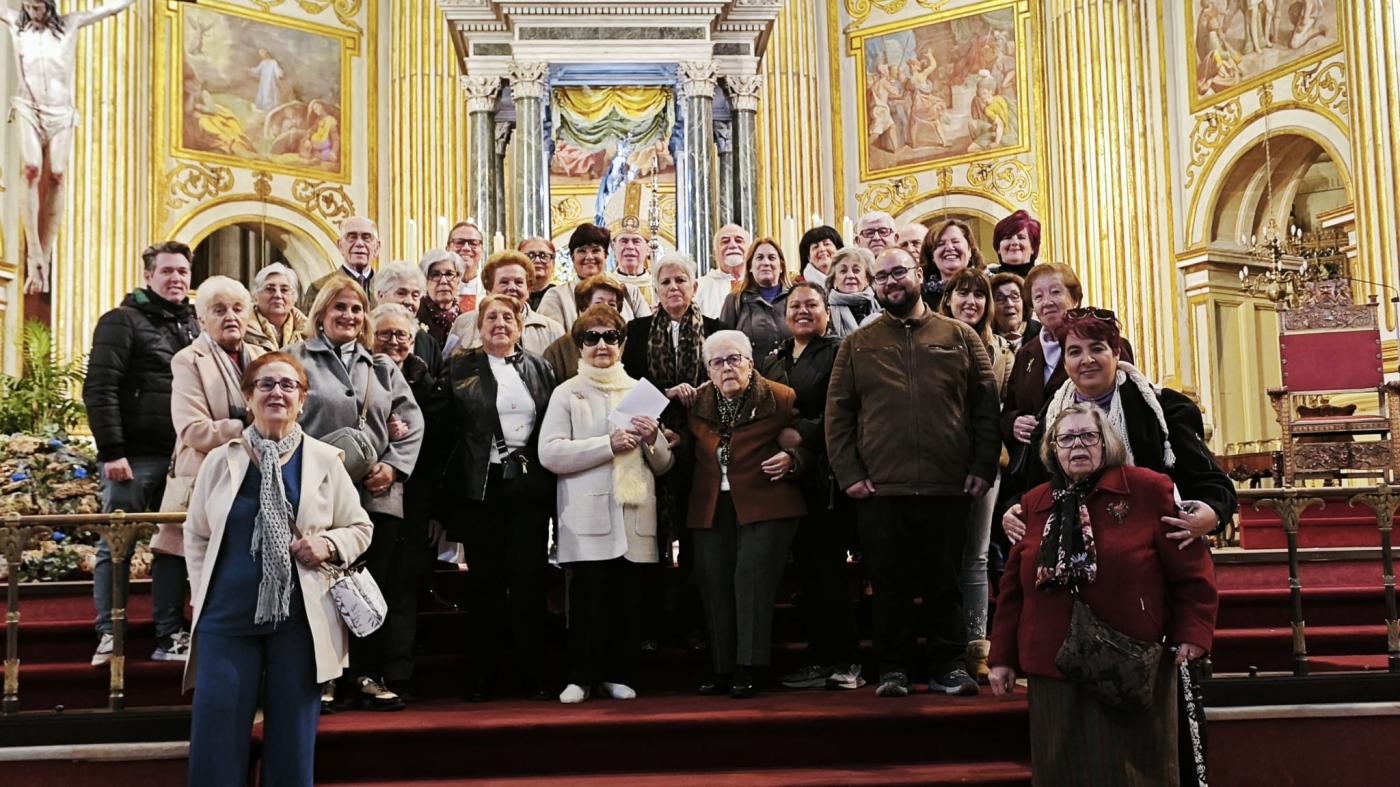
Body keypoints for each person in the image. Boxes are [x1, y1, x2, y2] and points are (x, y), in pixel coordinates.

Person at [989, 404, 1218, 787]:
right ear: (1053, 449)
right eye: (1066, 438)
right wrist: (1002, 658)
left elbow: (1192, 571)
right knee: (1062, 771)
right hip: (1052, 666)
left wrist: (1193, 633)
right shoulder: (1034, 503)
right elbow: (1013, 590)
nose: (1077, 445)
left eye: (1087, 436)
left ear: (1105, 442)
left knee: (1134, 772)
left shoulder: (1148, 490)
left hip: (1131, 661)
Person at [183, 352, 373, 787]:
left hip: (299, 621)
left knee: (291, 743)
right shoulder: (221, 459)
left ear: (302, 400)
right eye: (266, 385)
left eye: (288, 386)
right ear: (248, 397)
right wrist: (200, 591)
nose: (277, 393)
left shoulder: (325, 460)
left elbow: (360, 527)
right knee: (216, 739)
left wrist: (328, 543)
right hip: (226, 618)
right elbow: (195, 535)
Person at [825, 248, 1000, 698]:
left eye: (898, 272)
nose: (890, 282)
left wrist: (982, 466)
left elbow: (984, 406)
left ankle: (949, 667)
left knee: (947, 583)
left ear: (919, 275)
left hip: (949, 484)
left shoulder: (960, 336)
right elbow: (838, 415)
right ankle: (894, 669)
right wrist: (849, 474)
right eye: (880, 277)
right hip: (881, 488)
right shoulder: (857, 343)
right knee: (889, 585)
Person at [288, 275, 424, 712]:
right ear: (322, 315)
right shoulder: (296, 360)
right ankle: (326, 678)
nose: (349, 316)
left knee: (371, 585)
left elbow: (412, 422)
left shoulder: (381, 367)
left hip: (377, 497)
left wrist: (393, 465)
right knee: (321, 587)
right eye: (339, 308)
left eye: (356, 309)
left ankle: (368, 674)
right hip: (318, 497)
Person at [1003, 308, 1236, 546]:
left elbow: (1212, 485)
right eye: (1075, 351)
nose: (1087, 359)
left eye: (1097, 348)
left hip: (1150, 544)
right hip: (1074, 549)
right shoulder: (1051, 417)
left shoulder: (1164, 409)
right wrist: (1014, 510)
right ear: (1065, 361)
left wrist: (1211, 513)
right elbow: (1030, 489)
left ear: (1115, 353)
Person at [539, 305, 673, 704]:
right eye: (592, 338)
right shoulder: (568, 392)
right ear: (579, 345)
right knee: (587, 603)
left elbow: (664, 465)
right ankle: (580, 677)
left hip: (633, 516)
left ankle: (618, 673)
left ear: (622, 343)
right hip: (587, 515)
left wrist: (653, 439)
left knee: (627, 603)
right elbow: (550, 453)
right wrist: (606, 445)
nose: (602, 345)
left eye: (610, 337)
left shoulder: (640, 391)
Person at [83, 241, 201, 666]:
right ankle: (109, 631)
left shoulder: (193, 324)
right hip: (132, 455)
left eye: (183, 272)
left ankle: (169, 632)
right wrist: (112, 450)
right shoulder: (122, 321)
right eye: (168, 271)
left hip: (179, 458)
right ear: (148, 275)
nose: (177, 279)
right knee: (117, 545)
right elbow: (100, 388)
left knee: (171, 546)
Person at [440, 294, 559, 701]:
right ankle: (485, 674)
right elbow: (446, 431)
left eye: (508, 317)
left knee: (529, 580)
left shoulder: (540, 368)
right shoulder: (459, 367)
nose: (500, 324)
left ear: (520, 325)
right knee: (485, 583)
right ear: (479, 324)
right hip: (481, 486)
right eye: (492, 317)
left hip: (527, 487)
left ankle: (534, 671)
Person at [688, 331, 808, 699]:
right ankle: (723, 667)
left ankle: (748, 668)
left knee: (750, 582)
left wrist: (793, 459)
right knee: (715, 585)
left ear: (750, 362)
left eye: (734, 359)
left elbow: (810, 441)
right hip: (710, 505)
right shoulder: (696, 402)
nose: (727, 368)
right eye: (718, 362)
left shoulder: (779, 396)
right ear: (708, 370)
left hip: (767, 503)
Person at [620, 253, 727, 650]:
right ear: (656, 289)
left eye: (681, 280)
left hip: (703, 449)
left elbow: (730, 385)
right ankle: (652, 625)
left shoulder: (717, 330)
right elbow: (626, 388)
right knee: (652, 539)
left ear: (695, 286)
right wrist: (664, 405)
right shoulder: (637, 330)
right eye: (665, 282)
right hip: (653, 446)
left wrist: (697, 407)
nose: (673, 288)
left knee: (698, 541)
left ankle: (696, 625)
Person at [760, 283, 863, 691]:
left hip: (826, 477)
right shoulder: (774, 357)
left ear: (826, 310)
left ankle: (844, 661)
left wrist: (800, 434)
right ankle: (820, 657)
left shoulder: (840, 352)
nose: (803, 311)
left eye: (812, 304)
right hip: (784, 484)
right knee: (806, 573)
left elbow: (847, 410)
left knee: (828, 572)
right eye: (795, 305)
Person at [2, 0, 136, 293]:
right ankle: (33, 251)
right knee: (31, 168)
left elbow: (110, 9)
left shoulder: (70, 24)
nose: (35, 12)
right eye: (30, 6)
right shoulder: (15, 23)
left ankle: (45, 256)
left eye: (39, 7)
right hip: (28, 106)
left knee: (58, 174)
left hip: (61, 112)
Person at [368, 303, 450, 700]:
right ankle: (363, 673)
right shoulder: (360, 377)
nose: (393, 342)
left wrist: (437, 512)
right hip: (371, 498)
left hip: (416, 500)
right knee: (371, 584)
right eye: (384, 333)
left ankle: (397, 674)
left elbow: (438, 452)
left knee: (404, 586)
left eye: (402, 335)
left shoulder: (428, 383)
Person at [161, 275, 267, 577]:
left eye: (238, 308)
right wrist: (248, 427)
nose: (231, 317)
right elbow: (193, 429)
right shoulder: (188, 360)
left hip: (253, 477)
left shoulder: (263, 358)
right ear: (201, 318)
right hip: (205, 475)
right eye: (219, 310)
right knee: (195, 567)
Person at [937, 267, 1013, 683]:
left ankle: (975, 645)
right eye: (962, 294)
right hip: (937, 463)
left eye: (979, 296)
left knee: (977, 556)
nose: (971, 302)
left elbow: (1001, 408)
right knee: (940, 554)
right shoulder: (930, 339)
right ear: (947, 298)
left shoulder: (1001, 349)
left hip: (986, 461)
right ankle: (940, 642)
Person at [1001, 264, 1136, 487]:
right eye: (1038, 296)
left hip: (1096, 465)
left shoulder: (1108, 344)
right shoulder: (1026, 352)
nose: (1047, 302)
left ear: (1075, 298)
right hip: (1038, 472)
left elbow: (1124, 403)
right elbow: (1010, 409)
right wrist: (1013, 422)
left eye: (1055, 292)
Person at [448, 250, 565, 356]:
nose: (512, 287)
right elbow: (450, 369)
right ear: (489, 289)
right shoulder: (464, 324)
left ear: (529, 289)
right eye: (504, 282)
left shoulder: (552, 330)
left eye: (519, 282)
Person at [538, 223, 651, 329]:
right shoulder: (556, 297)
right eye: (582, 251)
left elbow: (647, 334)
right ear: (573, 257)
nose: (589, 257)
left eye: (596, 250)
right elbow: (552, 340)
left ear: (606, 255)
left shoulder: (629, 293)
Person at [540, 274, 630, 382]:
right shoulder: (559, 349)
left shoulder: (629, 344)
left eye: (612, 304)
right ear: (583, 308)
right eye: (598, 303)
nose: (605, 309)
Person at [719, 237, 794, 362]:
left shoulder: (795, 298)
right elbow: (723, 346)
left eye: (771, 258)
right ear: (750, 266)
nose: (766, 263)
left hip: (791, 377)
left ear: (781, 266)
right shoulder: (734, 300)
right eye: (759, 258)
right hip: (751, 377)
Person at [298, 216, 381, 313]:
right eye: (352, 237)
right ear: (340, 245)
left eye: (366, 238)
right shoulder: (320, 288)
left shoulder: (388, 288)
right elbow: (309, 327)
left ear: (377, 248)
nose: (359, 243)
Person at [374, 260, 442, 372]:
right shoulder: (364, 335)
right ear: (381, 295)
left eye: (415, 295)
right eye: (401, 293)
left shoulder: (428, 343)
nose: (409, 301)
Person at [919, 218, 984, 311]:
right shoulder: (921, 301)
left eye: (955, 241)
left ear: (970, 250)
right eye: (940, 244)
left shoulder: (990, 288)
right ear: (932, 256)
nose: (949, 248)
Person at [245, 263, 309, 354]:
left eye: (284, 290)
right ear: (255, 295)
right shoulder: (241, 329)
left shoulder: (309, 333)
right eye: (270, 289)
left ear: (294, 298)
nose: (278, 295)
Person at [696, 223, 751, 319]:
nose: (733, 245)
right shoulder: (698, 288)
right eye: (725, 241)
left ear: (750, 250)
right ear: (715, 253)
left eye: (739, 240)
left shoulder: (761, 284)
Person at [825, 247, 882, 338]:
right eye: (843, 271)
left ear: (867, 279)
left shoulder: (882, 306)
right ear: (834, 280)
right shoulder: (825, 313)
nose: (850, 275)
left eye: (856, 270)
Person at [417, 249, 466, 347]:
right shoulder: (415, 317)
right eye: (435, 275)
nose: (443, 281)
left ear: (458, 280)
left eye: (449, 274)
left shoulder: (467, 322)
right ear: (425, 281)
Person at [611, 216, 657, 307]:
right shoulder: (605, 285)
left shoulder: (658, 286)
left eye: (636, 241)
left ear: (648, 248)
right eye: (624, 241)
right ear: (613, 248)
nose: (630, 247)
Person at [988, 209, 1040, 280]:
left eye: (1021, 237)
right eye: (1007, 237)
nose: (1014, 242)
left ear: (1033, 247)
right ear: (998, 248)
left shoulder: (1046, 279)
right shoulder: (985, 281)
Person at [446, 221, 485, 313]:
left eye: (473, 243)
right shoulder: (438, 286)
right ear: (447, 249)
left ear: (482, 250)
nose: (466, 248)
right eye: (459, 242)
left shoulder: (490, 286)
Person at [990, 271, 1030, 350]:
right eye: (1000, 298)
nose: (1009, 304)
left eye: (1015, 297)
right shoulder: (983, 339)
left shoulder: (1041, 335)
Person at [520, 236, 558, 310]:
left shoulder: (560, 296)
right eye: (530, 255)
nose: (537, 260)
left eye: (543, 256)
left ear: (553, 264)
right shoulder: (512, 294)